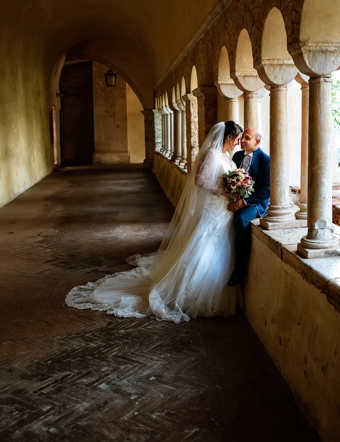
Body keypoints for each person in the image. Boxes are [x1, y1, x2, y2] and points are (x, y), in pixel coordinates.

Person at [65, 121, 243, 323]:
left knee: (218, 249)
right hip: (213, 209)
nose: (237, 143)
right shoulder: (211, 154)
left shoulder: (226, 157)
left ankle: (211, 293)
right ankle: (187, 295)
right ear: (228, 137)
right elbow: (200, 180)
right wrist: (222, 190)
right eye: (237, 139)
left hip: (223, 212)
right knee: (204, 246)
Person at [226, 127, 270, 286]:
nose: (242, 141)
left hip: (256, 202)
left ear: (257, 142)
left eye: (247, 138)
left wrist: (244, 202)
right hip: (236, 197)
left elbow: (267, 190)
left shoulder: (266, 160)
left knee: (241, 219)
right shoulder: (237, 156)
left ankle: (239, 268)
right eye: (242, 137)